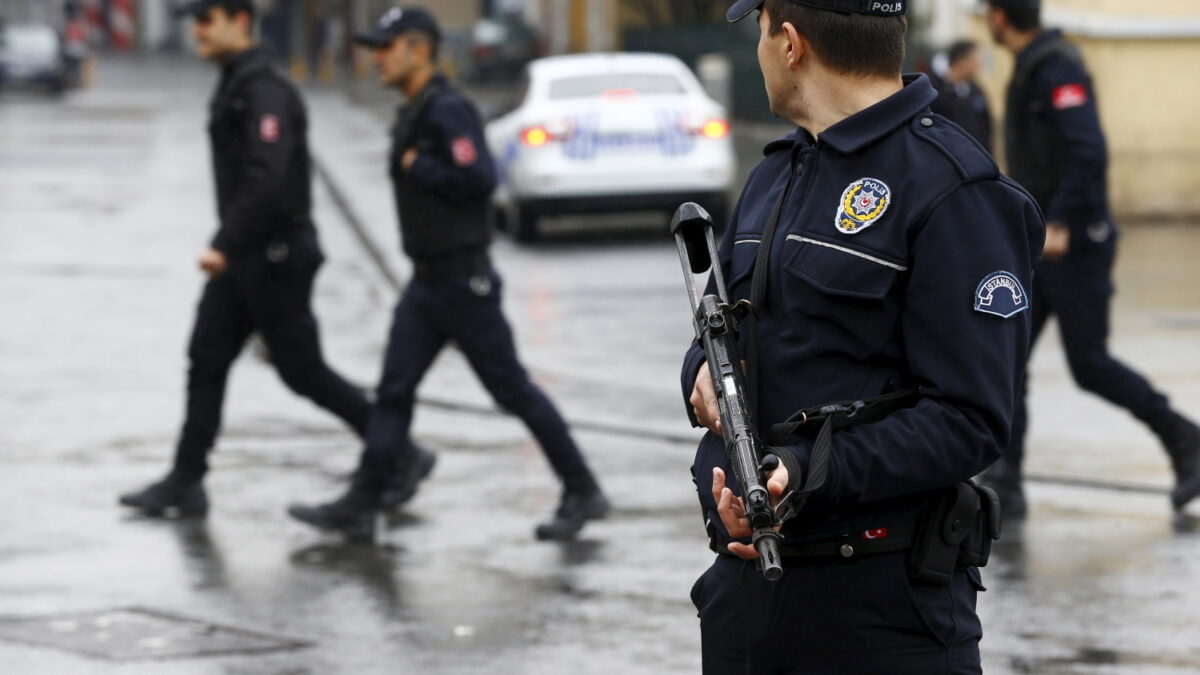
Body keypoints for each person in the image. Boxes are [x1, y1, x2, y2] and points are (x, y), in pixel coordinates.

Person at [682, 0, 1043, 671]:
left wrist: (807, 472)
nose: (761, 49)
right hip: (748, 609)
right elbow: (716, 339)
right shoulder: (773, 177)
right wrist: (708, 407)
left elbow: (971, 419)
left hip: (880, 615)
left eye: (758, 32)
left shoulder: (954, 188)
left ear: (789, 43)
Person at [287, 7, 609, 542]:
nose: (378, 58)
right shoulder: (415, 110)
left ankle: (582, 488)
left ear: (419, 48)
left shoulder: (447, 110)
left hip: (463, 282)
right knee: (394, 390)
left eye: (387, 47)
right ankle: (364, 500)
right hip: (427, 284)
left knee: (512, 391)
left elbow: (480, 178)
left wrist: (422, 166)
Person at [119, 0, 372, 517]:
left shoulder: (264, 90)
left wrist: (223, 242)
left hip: (275, 255)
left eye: (207, 21)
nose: (198, 33)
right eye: (194, 23)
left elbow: (269, 178)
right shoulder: (237, 80)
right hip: (247, 256)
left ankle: (395, 449)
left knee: (301, 370)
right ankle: (186, 480)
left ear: (239, 21)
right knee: (206, 357)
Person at [982, 0, 1200, 517]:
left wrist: (1058, 220)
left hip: (1074, 247)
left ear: (997, 18)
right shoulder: (1034, 64)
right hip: (1039, 247)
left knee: (1091, 365)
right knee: (1007, 359)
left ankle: (1186, 440)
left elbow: (1089, 151)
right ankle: (1006, 482)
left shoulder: (1058, 67)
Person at [927, 40, 992, 152]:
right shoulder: (933, 91)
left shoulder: (976, 91)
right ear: (961, 61)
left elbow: (986, 127)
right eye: (975, 59)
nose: (979, 64)